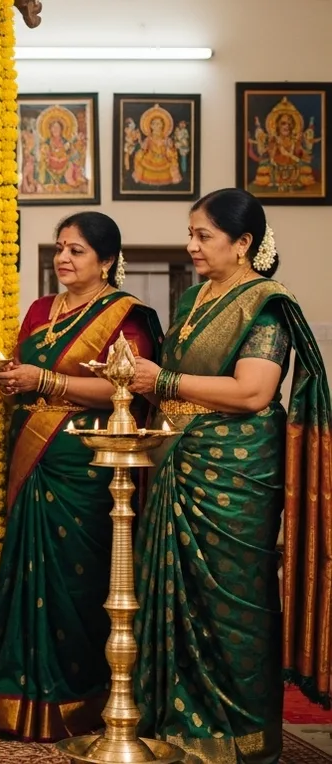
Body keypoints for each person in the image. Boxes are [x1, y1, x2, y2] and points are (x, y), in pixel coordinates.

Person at [130, 188, 332, 764]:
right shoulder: (196, 297)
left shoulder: (267, 304)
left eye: (204, 236)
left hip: (234, 472)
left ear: (243, 243)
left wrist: (162, 383)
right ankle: (175, 728)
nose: (191, 245)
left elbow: (253, 391)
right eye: (191, 233)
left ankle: (238, 738)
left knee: (231, 603)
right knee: (172, 595)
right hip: (180, 460)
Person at [0, 212, 162, 741]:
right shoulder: (39, 309)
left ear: (106, 261)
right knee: (25, 571)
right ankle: (16, 697)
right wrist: (14, 380)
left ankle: (79, 699)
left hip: (85, 462)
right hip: (34, 456)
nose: (63, 258)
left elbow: (130, 384)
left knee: (78, 579)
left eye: (77, 250)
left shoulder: (126, 315)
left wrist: (47, 379)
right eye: (60, 248)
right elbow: (29, 373)